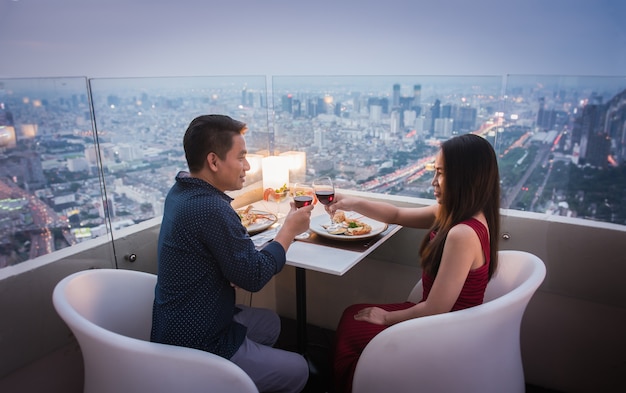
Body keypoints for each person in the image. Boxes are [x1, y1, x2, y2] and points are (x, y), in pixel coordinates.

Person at [151, 114, 314, 393]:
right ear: (213, 161)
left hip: (181, 323)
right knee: (299, 369)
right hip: (201, 341)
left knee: (271, 323)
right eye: (241, 157)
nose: (247, 167)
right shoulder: (211, 208)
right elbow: (253, 277)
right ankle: (226, 377)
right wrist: (289, 230)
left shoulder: (181, 190)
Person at [327, 133, 501, 393]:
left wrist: (386, 317)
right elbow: (397, 214)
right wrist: (353, 202)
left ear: (466, 176)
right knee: (353, 316)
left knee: (352, 326)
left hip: (445, 330)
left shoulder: (462, 233)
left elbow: (436, 308)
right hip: (445, 320)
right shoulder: (462, 214)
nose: (434, 182)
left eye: (441, 173)